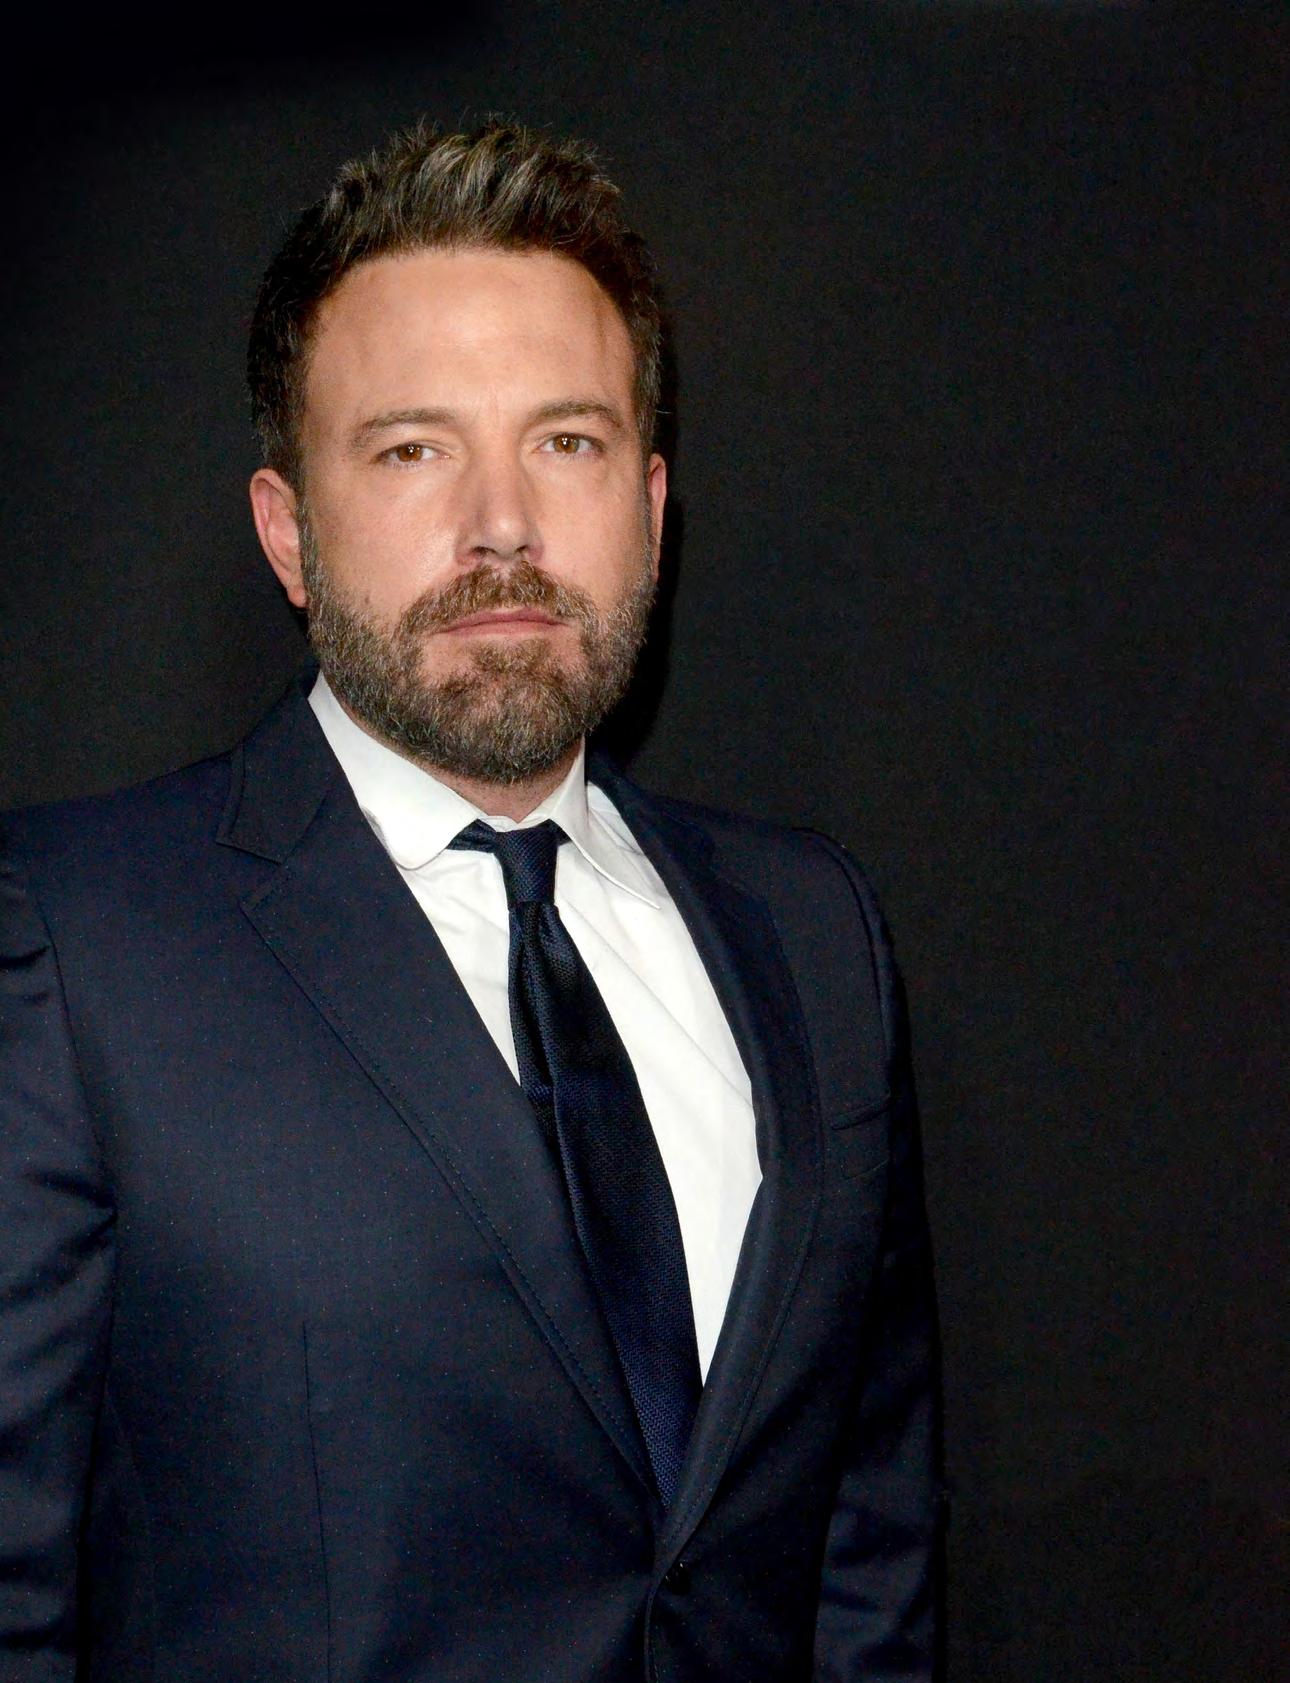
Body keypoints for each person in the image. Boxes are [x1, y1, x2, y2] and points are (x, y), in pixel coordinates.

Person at [0, 121, 942, 1681]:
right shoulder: (72, 942)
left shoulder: (813, 936)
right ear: (288, 530)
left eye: (565, 442)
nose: (502, 522)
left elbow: (868, 1552)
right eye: (411, 449)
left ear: (652, 506)